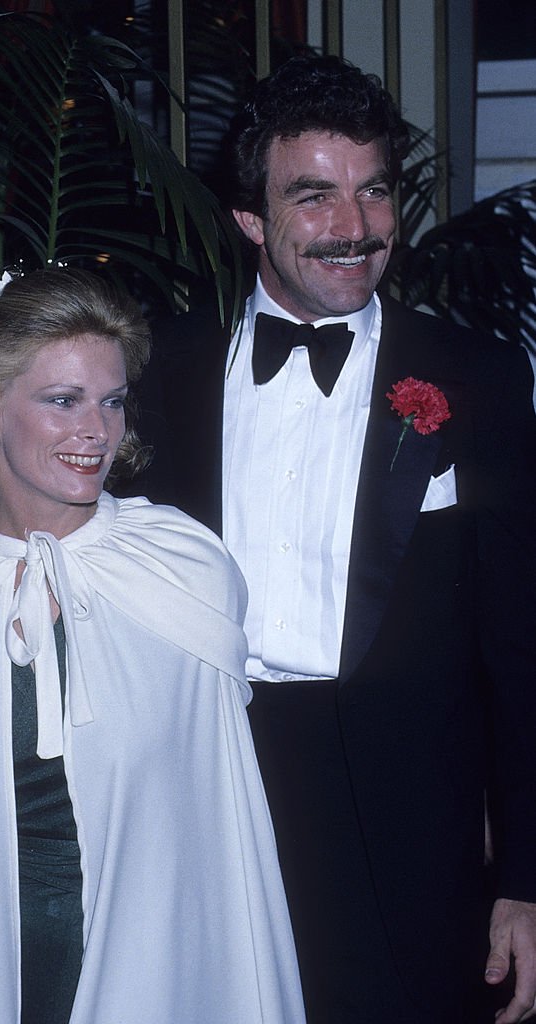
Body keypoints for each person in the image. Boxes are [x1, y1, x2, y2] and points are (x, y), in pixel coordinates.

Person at [129, 54, 536, 1024]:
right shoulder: (155, 371)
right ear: (246, 217)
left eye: (372, 191)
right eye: (312, 196)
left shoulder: (475, 376)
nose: (352, 228)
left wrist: (525, 877)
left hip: (407, 816)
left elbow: (524, 645)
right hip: (209, 791)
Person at [0, 267, 306, 1024]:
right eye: (63, 401)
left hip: (153, 958)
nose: (95, 432)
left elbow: (215, 826)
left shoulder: (183, 568)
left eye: (113, 401)